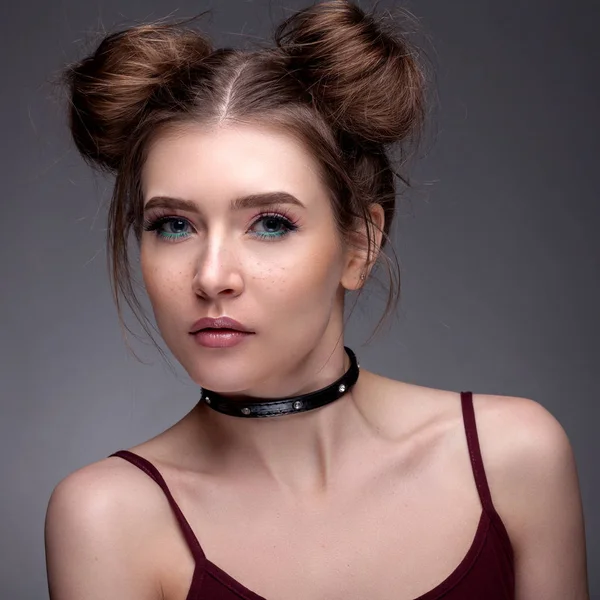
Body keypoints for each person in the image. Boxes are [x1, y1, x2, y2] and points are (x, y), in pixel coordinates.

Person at [44, 1, 589, 598]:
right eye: (173, 225)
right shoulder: (107, 517)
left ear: (359, 244)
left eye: (270, 223)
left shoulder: (515, 457)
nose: (212, 276)